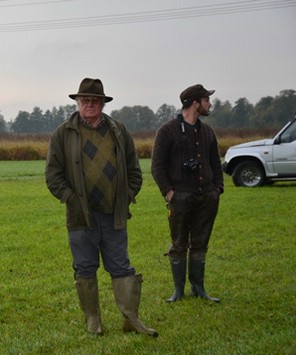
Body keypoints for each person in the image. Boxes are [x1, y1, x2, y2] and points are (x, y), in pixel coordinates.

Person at [45, 78, 157, 337]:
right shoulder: (64, 133)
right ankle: (93, 319)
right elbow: (53, 175)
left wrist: (125, 197)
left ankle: (131, 319)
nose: (90, 104)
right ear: (77, 102)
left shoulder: (119, 130)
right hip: (80, 216)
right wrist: (72, 199)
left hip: (113, 215)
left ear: (103, 103)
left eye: (95, 100)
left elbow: (134, 172)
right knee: (85, 267)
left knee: (121, 267)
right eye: (85, 100)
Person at [151, 84, 223, 303]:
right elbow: (157, 166)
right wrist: (169, 192)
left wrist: (217, 189)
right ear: (195, 103)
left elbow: (215, 163)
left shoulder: (207, 131)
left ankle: (199, 288)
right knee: (179, 244)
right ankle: (178, 291)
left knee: (200, 243)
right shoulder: (167, 131)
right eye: (206, 100)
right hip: (180, 198)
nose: (209, 103)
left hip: (207, 197)